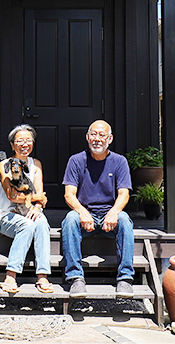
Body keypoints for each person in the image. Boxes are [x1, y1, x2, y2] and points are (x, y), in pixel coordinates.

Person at [61, 120, 134, 298]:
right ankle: (76, 277)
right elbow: (69, 194)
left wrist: (114, 213)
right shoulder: (76, 160)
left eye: (102, 135)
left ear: (110, 139)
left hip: (110, 217)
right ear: (87, 137)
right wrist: (82, 212)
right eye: (93, 134)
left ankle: (125, 278)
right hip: (85, 216)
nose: (97, 139)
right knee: (70, 219)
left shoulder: (119, 161)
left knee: (125, 219)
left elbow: (124, 194)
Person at [0, 124, 53, 294]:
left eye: (28, 141)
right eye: (20, 141)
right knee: (27, 225)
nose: (25, 144)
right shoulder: (4, 165)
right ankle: (11, 275)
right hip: (5, 215)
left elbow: (39, 194)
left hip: (28, 211)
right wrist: (38, 198)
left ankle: (42, 275)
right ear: (12, 145)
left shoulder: (36, 164)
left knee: (41, 222)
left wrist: (38, 207)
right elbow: (12, 196)